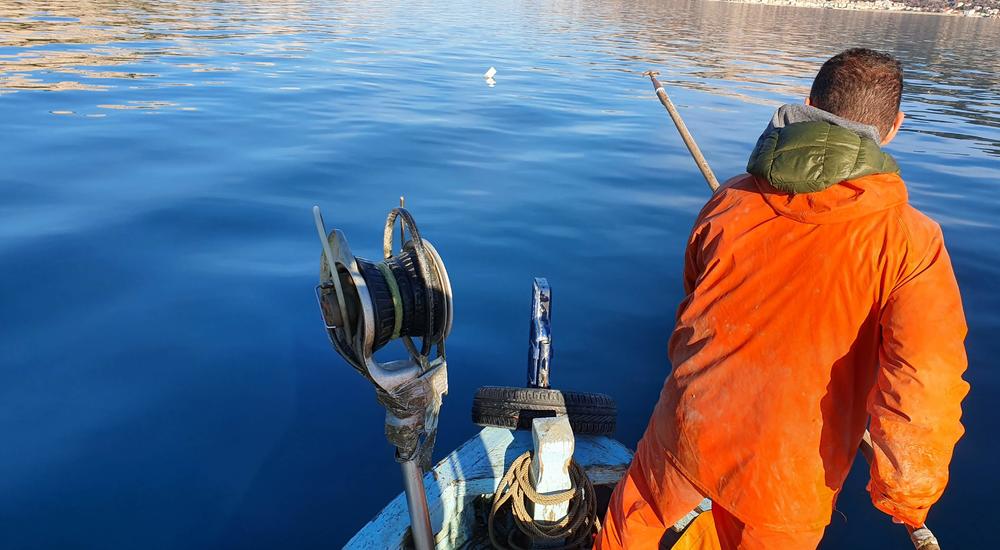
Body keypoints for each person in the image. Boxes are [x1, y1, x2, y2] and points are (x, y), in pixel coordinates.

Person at [596, 48, 969, 549]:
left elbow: (694, 301)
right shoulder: (911, 242)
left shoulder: (729, 201)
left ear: (808, 103)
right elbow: (924, 384)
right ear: (895, 127)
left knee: (628, 534)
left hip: (684, 434)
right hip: (786, 482)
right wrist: (905, 494)